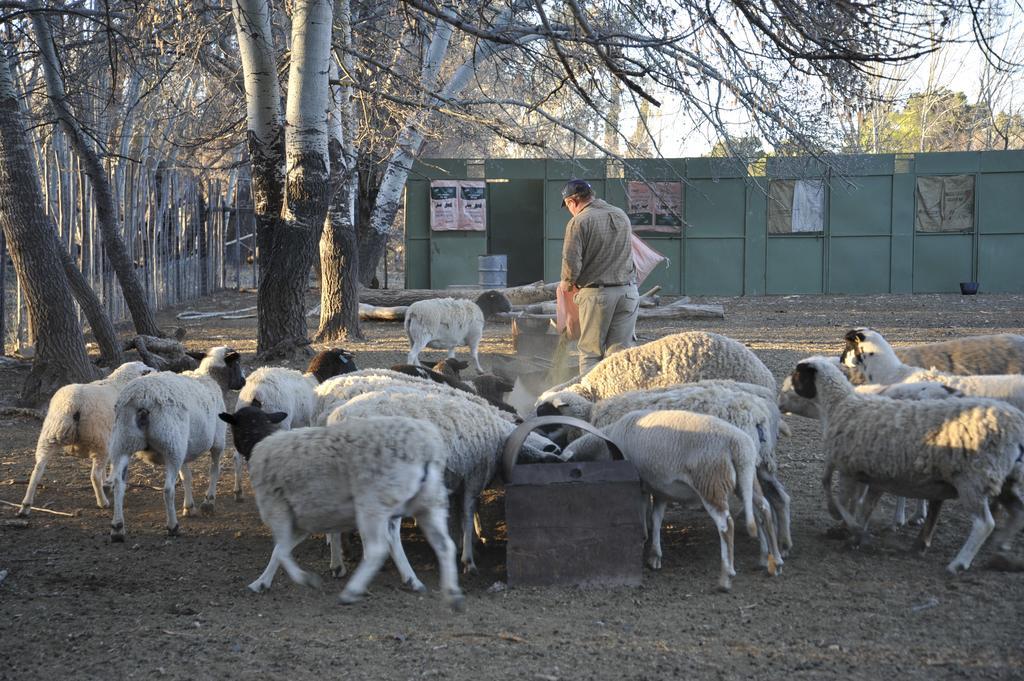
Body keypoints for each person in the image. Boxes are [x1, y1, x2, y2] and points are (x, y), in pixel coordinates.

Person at [559, 178, 639, 376]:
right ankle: (619, 399)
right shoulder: (621, 215)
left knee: (590, 353)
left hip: (598, 296)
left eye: (568, 206)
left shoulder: (578, 221)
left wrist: (567, 285)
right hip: (628, 292)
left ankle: (589, 402)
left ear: (572, 202)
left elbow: (571, 262)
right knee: (620, 355)